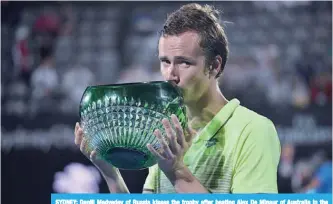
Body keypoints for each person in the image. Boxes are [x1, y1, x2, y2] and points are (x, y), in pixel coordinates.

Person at [74, 3, 281, 193]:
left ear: (215, 66)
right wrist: (111, 173)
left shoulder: (254, 130)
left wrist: (177, 172)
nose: (170, 75)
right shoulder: (163, 130)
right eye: (165, 61)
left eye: (184, 63)